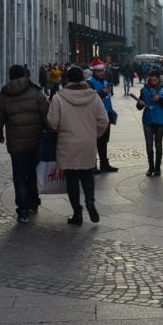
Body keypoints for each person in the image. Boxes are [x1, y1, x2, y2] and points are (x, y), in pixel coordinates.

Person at [46, 66, 108, 225]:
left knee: (72, 178)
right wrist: (94, 134)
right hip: (87, 142)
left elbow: (52, 123)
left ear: (66, 79)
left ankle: (77, 212)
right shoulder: (94, 96)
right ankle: (90, 201)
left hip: (68, 143)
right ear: (83, 78)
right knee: (87, 174)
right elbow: (103, 120)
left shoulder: (59, 98)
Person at [0, 64, 50, 224]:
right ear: (24, 75)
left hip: (16, 145)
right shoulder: (36, 93)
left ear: (10, 76)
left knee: (19, 176)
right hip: (36, 141)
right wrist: (48, 130)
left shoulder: (5, 96)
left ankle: (23, 211)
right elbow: (47, 115)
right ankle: (33, 203)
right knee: (32, 173)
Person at [135, 68, 163, 176]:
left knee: (158, 144)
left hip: (161, 120)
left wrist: (159, 99)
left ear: (159, 79)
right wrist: (140, 104)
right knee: (149, 145)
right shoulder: (144, 89)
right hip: (148, 120)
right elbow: (139, 107)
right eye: (151, 80)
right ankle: (150, 167)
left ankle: (157, 168)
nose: (153, 82)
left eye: (155, 80)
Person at [86, 58, 119, 173]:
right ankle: (92, 165)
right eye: (99, 71)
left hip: (105, 116)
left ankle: (104, 164)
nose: (101, 73)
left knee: (104, 141)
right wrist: (103, 92)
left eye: (102, 71)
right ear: (94, 72)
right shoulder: (89, 83)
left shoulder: (105, 82)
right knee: (94, 141)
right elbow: (90, 99)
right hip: (94, 117)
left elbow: (107, 99)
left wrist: (111, 111)